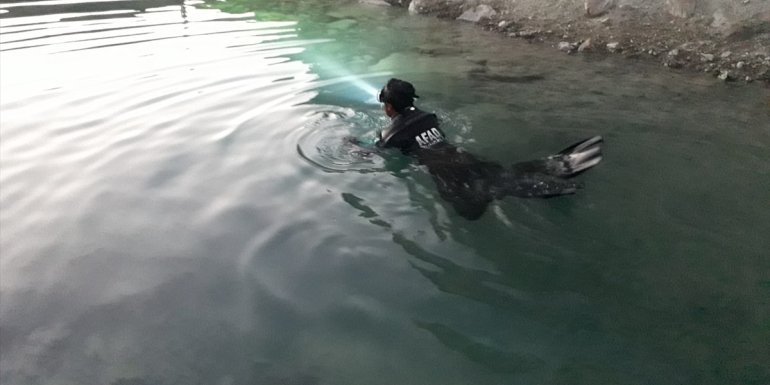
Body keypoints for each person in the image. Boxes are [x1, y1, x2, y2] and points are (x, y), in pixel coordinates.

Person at [373, 78, 602, 220]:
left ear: (389, 107)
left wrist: (352, 144)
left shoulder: (390, 136)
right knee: (497, 173)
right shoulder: (428, 116)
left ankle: (535, 183)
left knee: (471, 210)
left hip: (446, 172)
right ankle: (550, 166)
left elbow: (379, 152)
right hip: (463, 156)